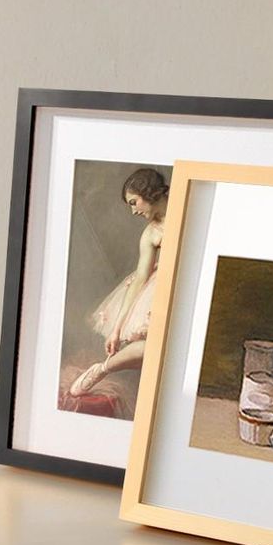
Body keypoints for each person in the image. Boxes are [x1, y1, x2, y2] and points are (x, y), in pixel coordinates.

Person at [68, 168, 167, 397]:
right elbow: (140, 279)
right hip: (162, 290)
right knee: (154, 347)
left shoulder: (187, 209)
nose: (134, 211)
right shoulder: (150, 234)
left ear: (149, 193)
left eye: (134, 202)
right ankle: (103, 369)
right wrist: (116, 330)